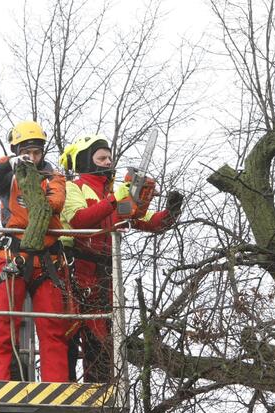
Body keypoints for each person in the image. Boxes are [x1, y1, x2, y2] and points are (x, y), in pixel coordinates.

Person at [59, 134, 183, 382]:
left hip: (106, 275)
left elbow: (144, 221)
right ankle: (67, 384)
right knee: (70, 331)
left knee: (103, 336)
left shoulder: (117, 195)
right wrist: (114, 200)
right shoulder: (74, 187)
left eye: (109, 157)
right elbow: (78, 219)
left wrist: (171, 212)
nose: (108, 161)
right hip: (77, 269)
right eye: (101, 157)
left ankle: (101, 388)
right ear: (86, 161)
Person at [0, 120, 71, 383]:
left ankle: (56, 386)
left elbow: (55, 203)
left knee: (52, 328)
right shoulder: (6, 179)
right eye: (27, 151)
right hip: (13, 257)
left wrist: (35, 183)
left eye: (36, 151)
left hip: (48, 261)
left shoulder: (54, 178)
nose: (32, 157)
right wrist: (13, 163)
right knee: (5, 325)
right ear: (17, 149)